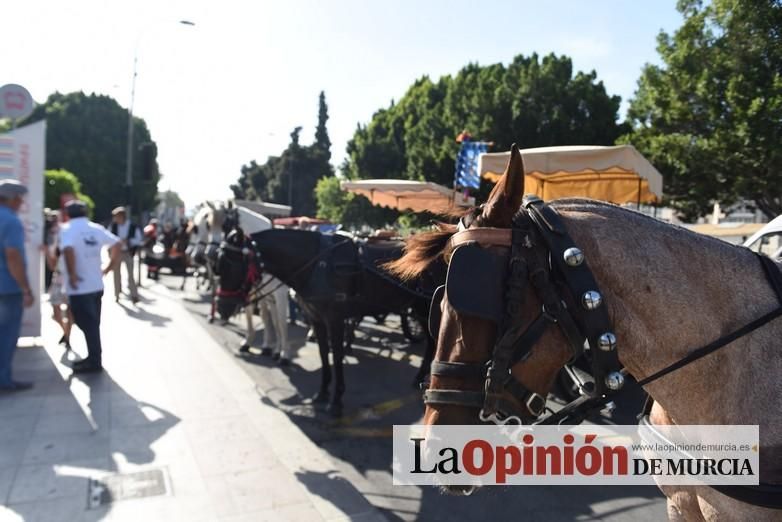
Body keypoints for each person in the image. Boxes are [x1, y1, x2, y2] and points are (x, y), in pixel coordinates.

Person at [60, 200, 121, 374]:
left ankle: (94, 360)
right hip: (96, 284)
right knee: (93, 324)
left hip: (79, 287)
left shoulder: (67, 229)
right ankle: (94, 357)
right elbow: (117, 244)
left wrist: (72, 274)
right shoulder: (95, 228)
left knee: (87, 323)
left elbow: (68, 250)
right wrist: (109, 268)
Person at [0, 179, 34, 392]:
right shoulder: (10, 221)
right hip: (7, 288)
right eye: (20, 199)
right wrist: (25, 289)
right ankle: (3, 380)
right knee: (6, 335)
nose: (21, 203)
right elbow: (13, 256)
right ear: (13, 199)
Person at [45, 212, 73, 350]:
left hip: (70, 280)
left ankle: (68, 336)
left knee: (69, 311)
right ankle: (66, 333)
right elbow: (52, 265)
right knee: (56, 312)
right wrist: (46, 252)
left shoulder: (71, 238)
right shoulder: (55, 243)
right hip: (59, 278)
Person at [109, 206, 141, 303]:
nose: (115, 219)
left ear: (122, 216)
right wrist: (116, 242)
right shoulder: (113, 226)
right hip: (117, 252)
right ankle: (117, 294)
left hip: (128, 252)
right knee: (116, 274)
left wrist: (128, 241)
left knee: (130, 274)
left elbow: (138, 239)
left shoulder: (132, 226)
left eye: (116, 217)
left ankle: (134, 294)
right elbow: (107, 237)